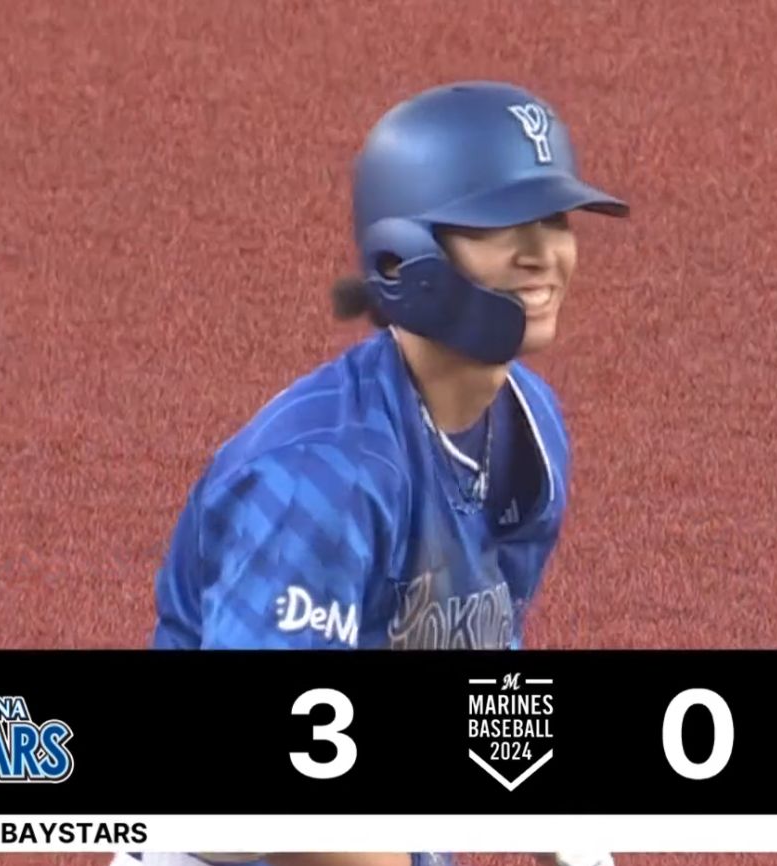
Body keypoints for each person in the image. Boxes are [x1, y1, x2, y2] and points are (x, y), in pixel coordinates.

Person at [113, 81, 629, 866]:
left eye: (556, 220)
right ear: (404, 257)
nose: (544, 254)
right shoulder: (321, 476)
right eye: (501, 224)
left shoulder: (530, 428)